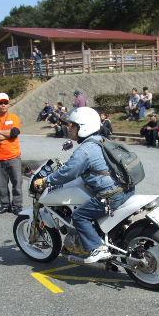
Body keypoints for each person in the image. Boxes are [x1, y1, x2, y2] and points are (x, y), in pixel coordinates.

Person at [33, 107, 133, 263]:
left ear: (83, 127)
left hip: (111, 195)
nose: (69, 127)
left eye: (72, 125)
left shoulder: (85, 150)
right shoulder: (101, 140)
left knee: (79, 216)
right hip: (126, 188)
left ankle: (97, 248)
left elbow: (68, 173)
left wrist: (46, 180)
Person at [0, 93, 23, 214]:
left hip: (14, 156)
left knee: (17, 183)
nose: (3, 105)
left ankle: (17, 205)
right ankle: (5, 205)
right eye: (0, 103)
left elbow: (15, 133)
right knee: (2, 185)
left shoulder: (14, 117)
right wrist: (8, 134)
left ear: (8, 104)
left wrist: (0, 132)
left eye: (5, 102)